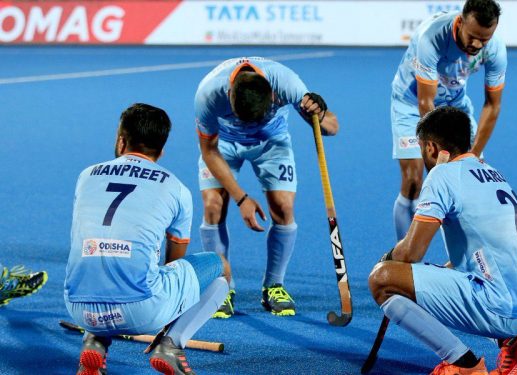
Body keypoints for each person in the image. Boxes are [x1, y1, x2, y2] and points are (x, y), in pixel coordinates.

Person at [369, 107, 517, 375]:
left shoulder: (442, 175)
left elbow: (412, 252)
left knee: (383, 280)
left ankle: (463, 365)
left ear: (431, 147)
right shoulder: (492, 172)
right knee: (447, 270)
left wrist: (388, 258)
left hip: (504, 310)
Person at [65, 103, 229, 375]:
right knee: (221, 267)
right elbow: (175, 262)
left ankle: (94, 340)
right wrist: (164, 322)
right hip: (142, 311)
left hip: (79, 309)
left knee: (96, 257)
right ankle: (171, 345)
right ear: (162, 150)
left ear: (121, 141)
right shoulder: (176, 188)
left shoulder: (86, 176)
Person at [195, 57, 338, 318]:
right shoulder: (208, 94)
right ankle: (221, 286)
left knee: (283, 208)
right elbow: (209, 150)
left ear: (273, 95)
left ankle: (274, 285)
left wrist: (319, 113)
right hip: (224, 145)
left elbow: (332, 127)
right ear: (229, 95)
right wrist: (241, 198)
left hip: (271, 142)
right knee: (213, 205)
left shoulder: (287, 83)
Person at [391, 0, 507, 241]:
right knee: (414, 180)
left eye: (484, 39)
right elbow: (426, 103)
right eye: (472, 36)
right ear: (460, 21)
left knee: (469, 181)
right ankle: (404, 261)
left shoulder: (495, 49)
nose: (477, 44)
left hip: (455, 105)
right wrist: (439, 162)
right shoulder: (431, 38)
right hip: (411, 103)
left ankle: (465, 261)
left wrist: (473, 153)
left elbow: (492, 105)